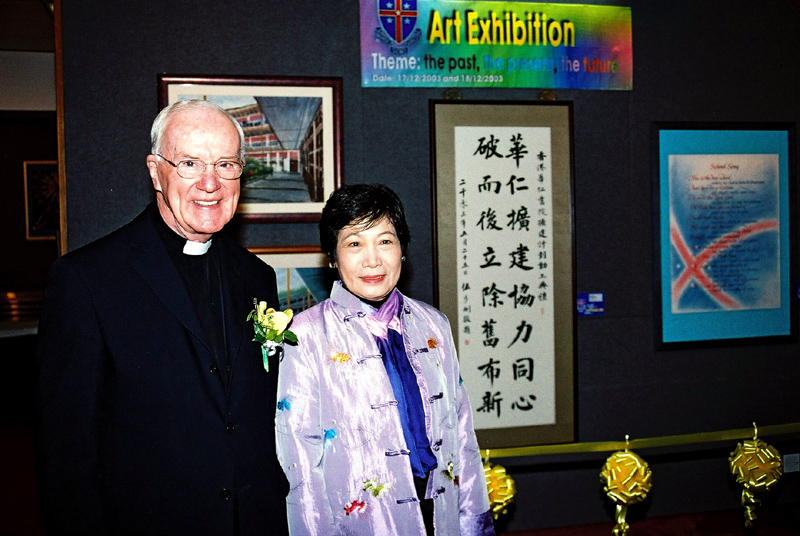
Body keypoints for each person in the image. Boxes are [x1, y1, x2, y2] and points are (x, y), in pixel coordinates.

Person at [35, 100, 289, 535]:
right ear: (156, 171)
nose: (210, 183)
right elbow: (65, 453)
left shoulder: (256, 277)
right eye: (190, 163)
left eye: (226, 164)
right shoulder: (88, 279)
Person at [275, 183, 495, 535]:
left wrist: (474, 525)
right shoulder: (306, 335)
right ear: (333, 257)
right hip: (361, 521)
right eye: (354, 244)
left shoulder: (433, 324)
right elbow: (300, 459)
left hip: (440, 511)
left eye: (385, 241)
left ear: (402, 249)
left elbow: (462, 432)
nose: (372, 260)